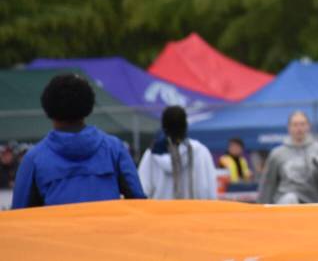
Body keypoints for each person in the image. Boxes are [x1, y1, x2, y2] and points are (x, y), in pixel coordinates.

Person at [12, 73, 145, 208]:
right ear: (89, 105)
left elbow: (19, 215)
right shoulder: (114, 149)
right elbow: (139, 203)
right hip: (107, 228)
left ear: (47, 109)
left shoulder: (34, 159)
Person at [258, 110, 318, 204]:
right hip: (285, 206)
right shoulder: (277, 154)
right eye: (295, 125)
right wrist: (261, 211)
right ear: (289, 127)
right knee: (290, 198)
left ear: (308, 126)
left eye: (302, 124)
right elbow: (267, 185)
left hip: (312, 206)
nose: (299, 128)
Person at [138, 106, 217, 200]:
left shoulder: (151, 154)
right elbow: (210, 189)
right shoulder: (201, 151)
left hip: (161, 212)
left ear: (164, 126)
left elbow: (143, 189)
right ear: (185, 125)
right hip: (195, 211)